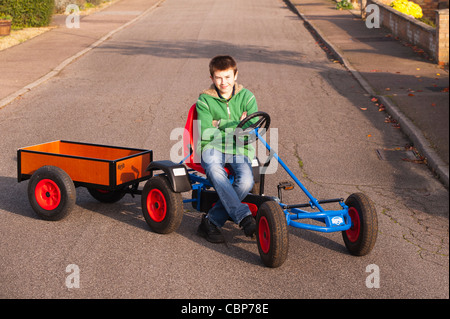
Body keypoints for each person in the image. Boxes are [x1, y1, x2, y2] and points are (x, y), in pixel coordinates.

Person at [195, 55, 258, 243]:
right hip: (212, 147)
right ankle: (244, 217)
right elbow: (207, 132)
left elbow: (252, 128)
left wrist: (220, 124)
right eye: (219, 78)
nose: (224, 82)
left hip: (240, 148)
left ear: (236, 75)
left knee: (246, 182)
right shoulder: (204, 100)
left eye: (228, 77)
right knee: (215, 169)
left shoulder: (247, 97)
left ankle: (211, 221)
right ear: (212, 78)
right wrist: (236, 125)